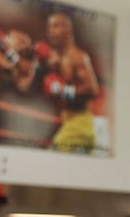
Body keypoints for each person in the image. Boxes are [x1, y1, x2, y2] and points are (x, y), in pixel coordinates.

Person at [41, 12, 101, 154]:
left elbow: (93, 89)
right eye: (49, 27)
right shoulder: (58, 57)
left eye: (56, 26)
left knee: (50, 161)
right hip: (70, 120)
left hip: (79, 123)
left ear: (68, 29)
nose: (51, 31)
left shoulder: (77, 57)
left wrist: (62, 90)